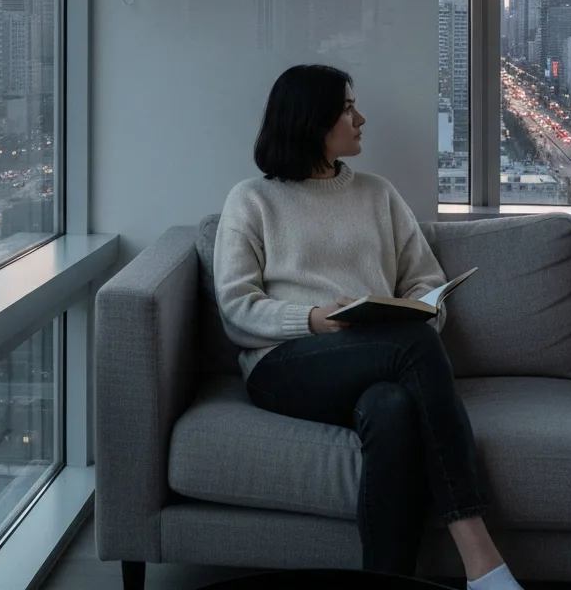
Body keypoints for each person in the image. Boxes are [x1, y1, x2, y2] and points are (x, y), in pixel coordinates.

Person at [213, 64, 522, 589]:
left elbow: (425, 281)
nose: (362, 118)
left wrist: (420, 309)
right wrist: (315, 320)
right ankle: (481, 558)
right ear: (312, 120)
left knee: (392, 408)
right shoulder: (252, 200)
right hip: (285, 365)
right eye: (348, 107)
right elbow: (236, 308)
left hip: (379, 360)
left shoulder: (379, 194)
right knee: (412, 346)